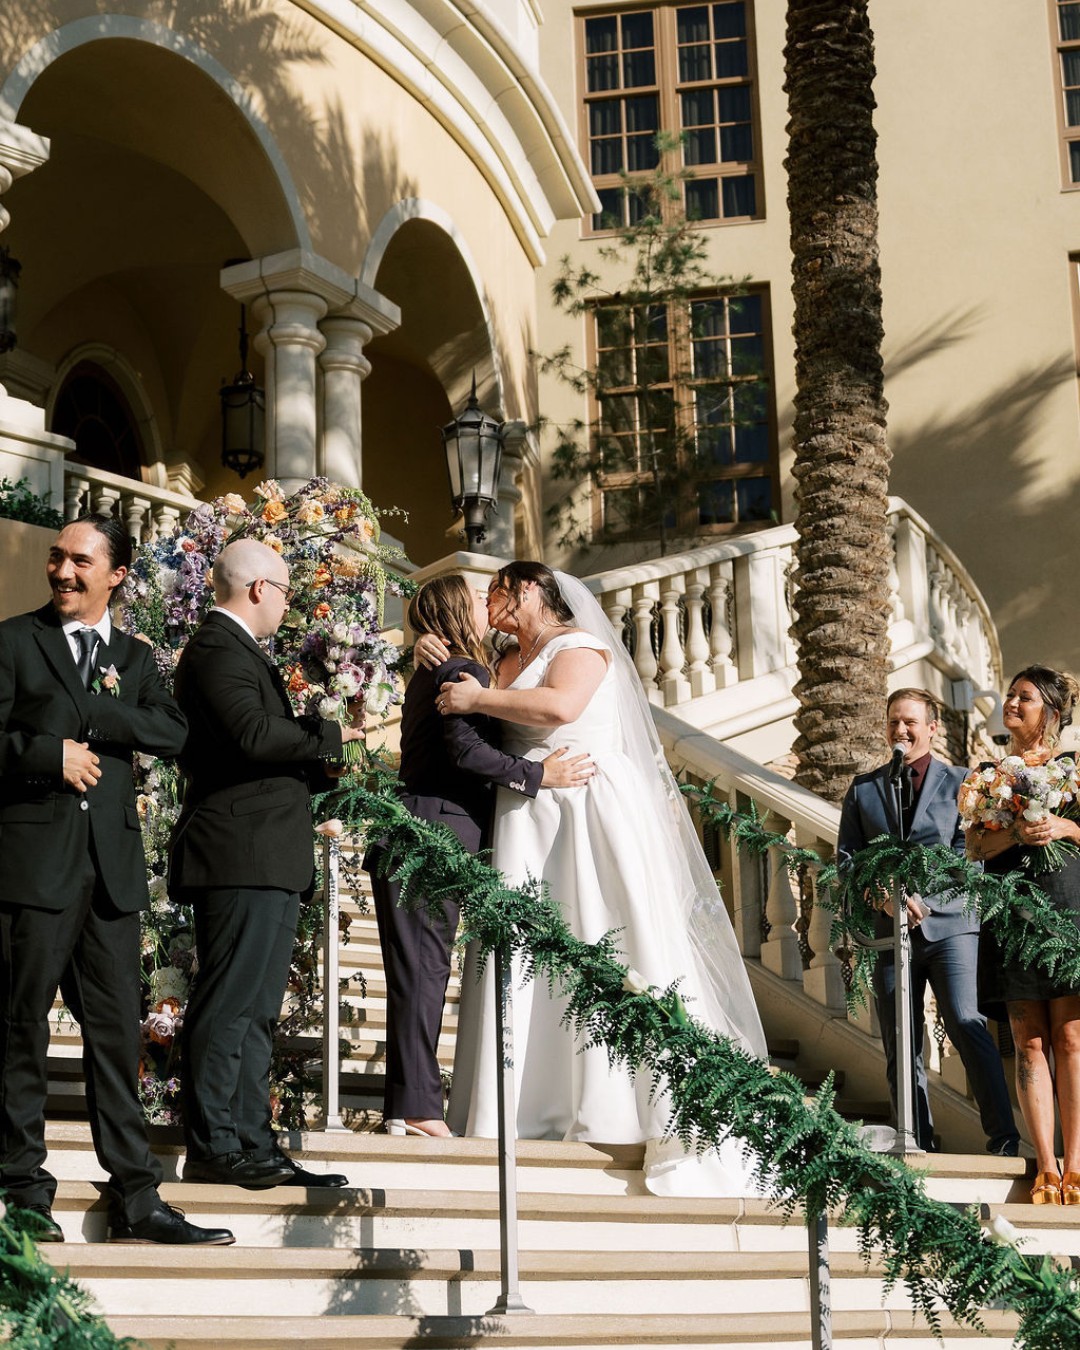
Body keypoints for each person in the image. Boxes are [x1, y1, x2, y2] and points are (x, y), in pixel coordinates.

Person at [421, 562, 767, 1196]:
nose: (488, 605)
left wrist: (478, 699)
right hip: (527, 812)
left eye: (494, 592)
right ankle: (522, 1106)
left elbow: (561, 706)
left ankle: (633, 1109)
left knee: (604, 938)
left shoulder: (579, 645)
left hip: (587, 806)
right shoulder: (501, 657)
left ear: (525, 589)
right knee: (527, 953)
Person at [0, 514, 233, 1245]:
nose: (63, 572)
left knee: (112, 1040)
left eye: (80, 562)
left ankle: (136, 1197)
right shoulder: (11, 641)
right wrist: (49, 756)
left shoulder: (133, 658)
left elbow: (172, 733)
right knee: (19, 1031)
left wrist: (94, 714)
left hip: (111, 878)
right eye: (56, 558)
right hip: (32, 869)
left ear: (117, 574)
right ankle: (23, 1192)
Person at [365, 574, 593, 1138]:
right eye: (474, 598)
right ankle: (418, 1109)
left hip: (415, 833)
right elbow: (466, 752)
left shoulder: (447, 666)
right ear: (453, 612)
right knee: (422, 971)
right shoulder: (455, 670)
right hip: (430, 836)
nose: (486, 603)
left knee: (416, 972)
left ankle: (406, 1105)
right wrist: (540, 773)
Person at [170, 538, 361, 1189]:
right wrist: (326, 735)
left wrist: (316, 762)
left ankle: (254, 1142)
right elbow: (251, 734)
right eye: (284, 591)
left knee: (256, 1011)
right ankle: (215, 1144)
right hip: (237, 855)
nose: (287, 604)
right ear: (258, 589)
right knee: (229, 1003)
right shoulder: (216, 649)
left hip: (267, 855)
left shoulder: (240, 651)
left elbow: (255, 748)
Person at [837, 688, 1018, 1157]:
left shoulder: (962, 782)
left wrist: (923, 899)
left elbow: (970, 856)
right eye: (894, 721)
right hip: (888, 933)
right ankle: (916, 1138)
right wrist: (884, 898)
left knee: (964, 1020)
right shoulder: (863, 789)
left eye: (911, 722)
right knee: (901, 1037)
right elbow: (848, 860)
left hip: (952, 925)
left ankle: (1003, 1138)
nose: (901, 730)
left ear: (932, 728)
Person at [966, 666, 1080, 1205]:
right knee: (1028, 1042)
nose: (1011, 702)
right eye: (1009, 695)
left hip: (1068, 909)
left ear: (1051, 713)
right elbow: (974, 848)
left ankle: (1076, 1165)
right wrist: (1014, 829)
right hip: (1012, 914)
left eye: (1024, 697)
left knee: (1071, 1039)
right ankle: (1046, 1164)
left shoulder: (1073, 768)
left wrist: (1066, 826)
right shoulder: (986, 774)